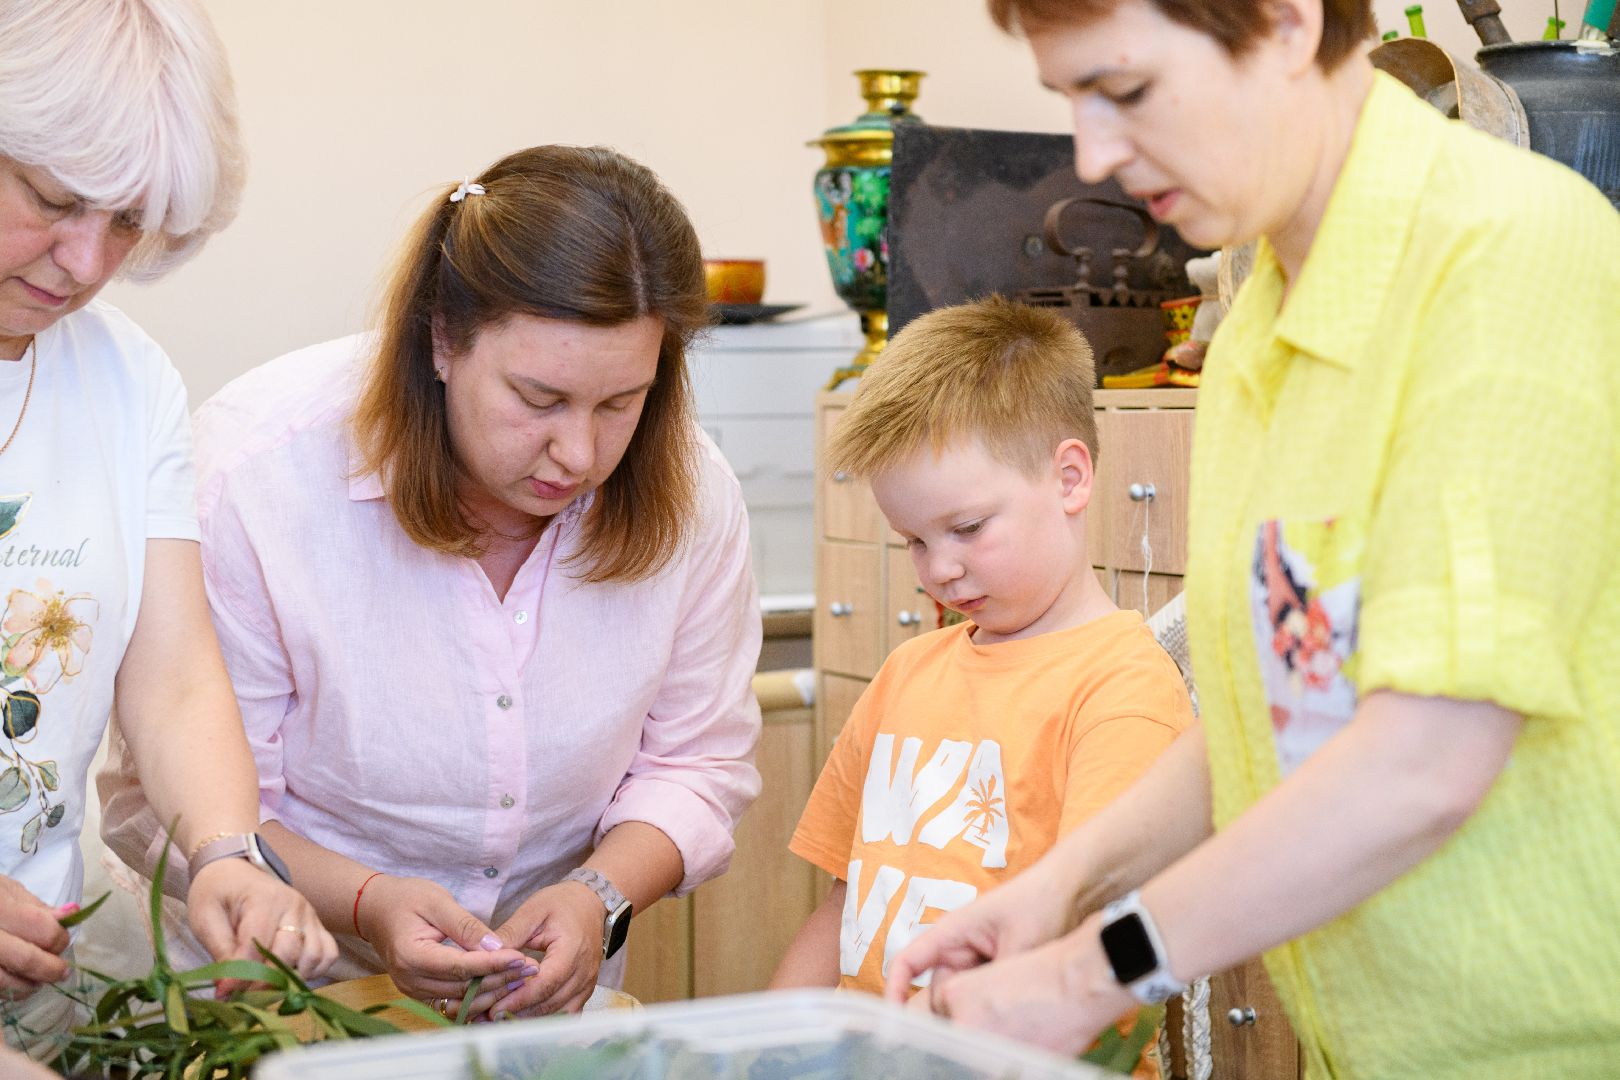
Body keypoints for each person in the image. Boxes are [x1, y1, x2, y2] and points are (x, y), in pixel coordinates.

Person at [887, 1, 1620, 1076]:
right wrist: (1056, 888)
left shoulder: (1510, 253)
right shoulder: (1259, 331)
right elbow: (1278, 710)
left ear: (1285, 22)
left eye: (1126, 91)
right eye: (1070, 101)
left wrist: (1090, 971)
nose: (1094, 154)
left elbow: (1423, 763)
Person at [100, 144, 764, 1023]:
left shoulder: (691, 487)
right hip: (271, 998)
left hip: (534, 1012)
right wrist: (370, 900)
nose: (579, 454)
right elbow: (190, 801)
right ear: (443, 339)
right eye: (539, 399)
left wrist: (598, 895)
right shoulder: (259, 475)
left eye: (620, 404)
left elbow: (696, 761)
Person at [0, 0, 338, 1056]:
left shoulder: (125, 378)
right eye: (55, 202)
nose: (87, 261)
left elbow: (175, 672)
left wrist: (226, 852)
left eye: (131, 224)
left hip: (40, 986)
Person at [771, 298, 1192, 1074]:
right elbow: (844, 906)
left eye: (966, 529)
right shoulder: (907, 673)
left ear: (1069, 477)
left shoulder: (1121, 690)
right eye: (915, 540)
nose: (939, 568)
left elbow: (1095, 939)